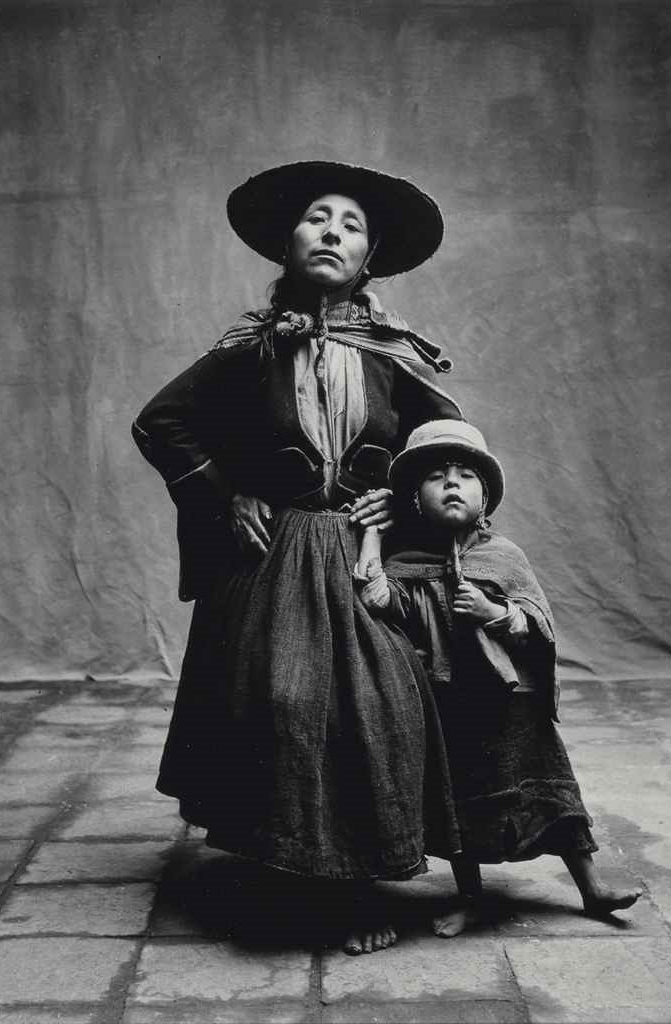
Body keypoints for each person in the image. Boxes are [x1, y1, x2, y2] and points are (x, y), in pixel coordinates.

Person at [132, 162, 464, 954]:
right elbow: (161, 423)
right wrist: (228, 493)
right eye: (318, 219)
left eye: (350, 227)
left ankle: (353, 880)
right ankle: (286, 877)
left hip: (357, 554)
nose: (332, 234)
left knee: (378, 703)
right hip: (274, 556)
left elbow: (448, 446)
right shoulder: (251, 347)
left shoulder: (390, 354)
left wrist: (404, 498)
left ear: (369, 257)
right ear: (288, 242)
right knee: (284, 702)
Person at [354, 419, 642, 937]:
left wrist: (493, 611)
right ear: (415, 498)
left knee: (554, 796)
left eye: (465, 475)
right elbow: (378, 599)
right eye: (437, 476)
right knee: (461, 803)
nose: (451, 484)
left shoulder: (504, 556)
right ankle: (468, 898)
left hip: (514, 705)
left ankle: (592, 887)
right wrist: (373, 539)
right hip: (450, 703)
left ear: (483, 496)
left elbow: (538, 623)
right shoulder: (405, 561)